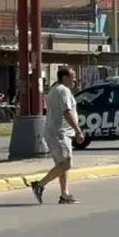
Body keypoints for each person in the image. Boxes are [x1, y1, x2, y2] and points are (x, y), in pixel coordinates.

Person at [30, 66, 84, 204]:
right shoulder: (63, 91)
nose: (75, 80)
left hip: (54, 132)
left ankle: (64, 194)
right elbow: (67, 112)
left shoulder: (54, 89)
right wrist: (78, 130)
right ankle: (39, 185)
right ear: (65, 77)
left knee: (61, 164)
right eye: (73, 77)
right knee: (66, 164)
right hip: (59, 133)